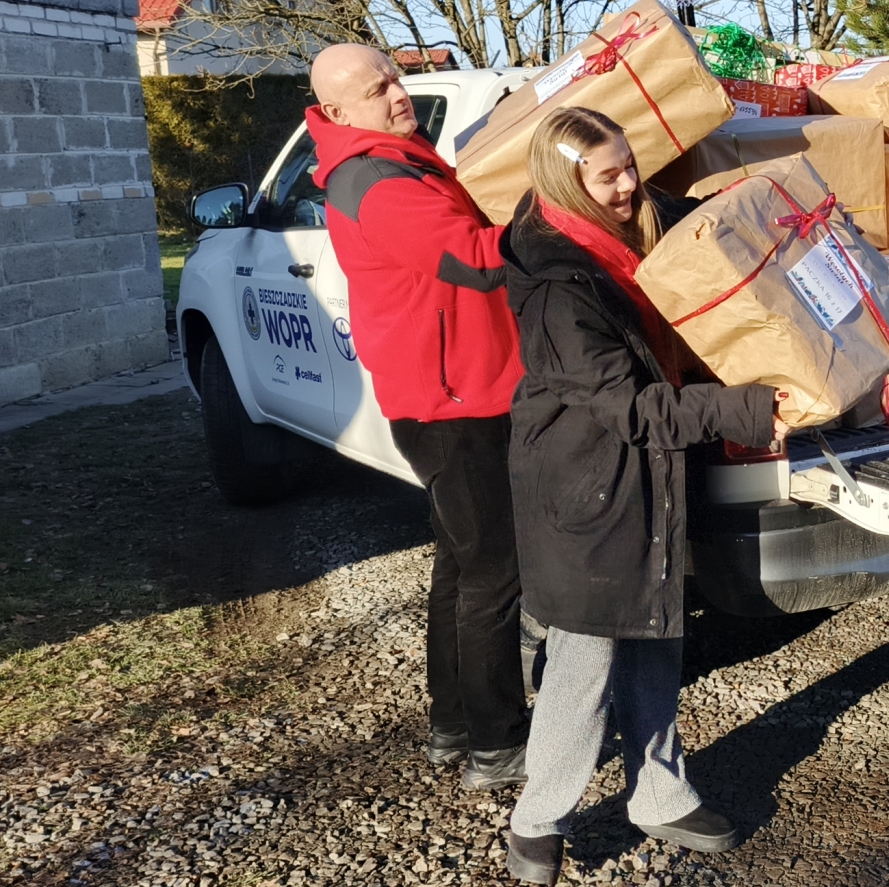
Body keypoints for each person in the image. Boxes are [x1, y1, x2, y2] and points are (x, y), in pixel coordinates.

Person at [497, 107, 788, 885]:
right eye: (609, 176)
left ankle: (660, 792)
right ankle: (537, 820)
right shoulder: (558, 287)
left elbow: (696, 222)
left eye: (630, 164)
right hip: (586, 482)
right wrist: (748, 408)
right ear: (569, 184)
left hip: (643, 472)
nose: (630, 185)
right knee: (587, 654)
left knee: (656, 628)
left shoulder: (623, 225)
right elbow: (631, 407)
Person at [307, 44, 530, 787]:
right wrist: (564, 220)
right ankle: (499, 742)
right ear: (338, 110)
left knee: (462, 564)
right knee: (493, 570)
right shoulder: (376, 179)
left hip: (448, 391)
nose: (399, 94)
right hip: (454, 401)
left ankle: (453, 723)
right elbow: (476, 259)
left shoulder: (390, 162)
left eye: (395, 79)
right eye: (378, 89)